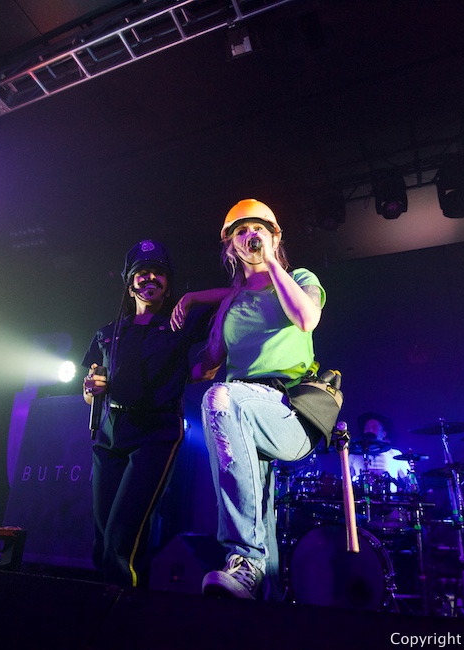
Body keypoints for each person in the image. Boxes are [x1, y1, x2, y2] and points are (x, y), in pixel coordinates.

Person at [180, 198, 326, 600]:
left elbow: (306, 319)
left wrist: (272, 264)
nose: (251, 235)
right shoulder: (230, 304)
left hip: (288, 409)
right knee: (260, 509)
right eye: (241, 231)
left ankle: (244, 556)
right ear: (231, 246)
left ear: (275, 236)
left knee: (220, 397)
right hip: (239, 413)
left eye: (259, 228)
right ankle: (265, 598)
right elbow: (205, 368)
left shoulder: (299, 278)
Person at [81, 240, 213, 589]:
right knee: (102, 536)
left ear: (169, 282)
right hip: (110, 433)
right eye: (141, 273)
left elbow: (233, 296)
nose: (150, 278)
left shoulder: (179, 324)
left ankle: (124, 613)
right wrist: (90, 389)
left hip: (155, 434)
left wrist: (193, 298)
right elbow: (91, 387)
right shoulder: (107, 333)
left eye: (158, 273)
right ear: (129, 283)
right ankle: (109, 609)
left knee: (123, 537)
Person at [348, 412, 414, 497]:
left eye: (374, 427)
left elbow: (409, 483)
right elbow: (346, 484)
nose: (370, 430)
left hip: (390, 505)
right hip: (360, 503)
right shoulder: (354, 455)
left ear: (383, 434)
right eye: (367, 427)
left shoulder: (395, 454)